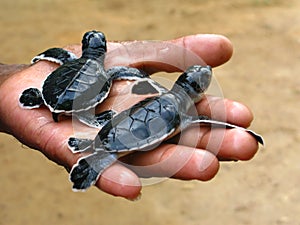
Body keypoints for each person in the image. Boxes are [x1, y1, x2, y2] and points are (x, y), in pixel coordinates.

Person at [0, 34, 259, 200]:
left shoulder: (164, 98)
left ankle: (92, 147)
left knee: (116, 135)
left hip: (110, 130)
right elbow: (206, 121)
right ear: (196, 91)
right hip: (123, 133)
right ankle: (94, 155)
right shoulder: (184, 113)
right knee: (112, 148)